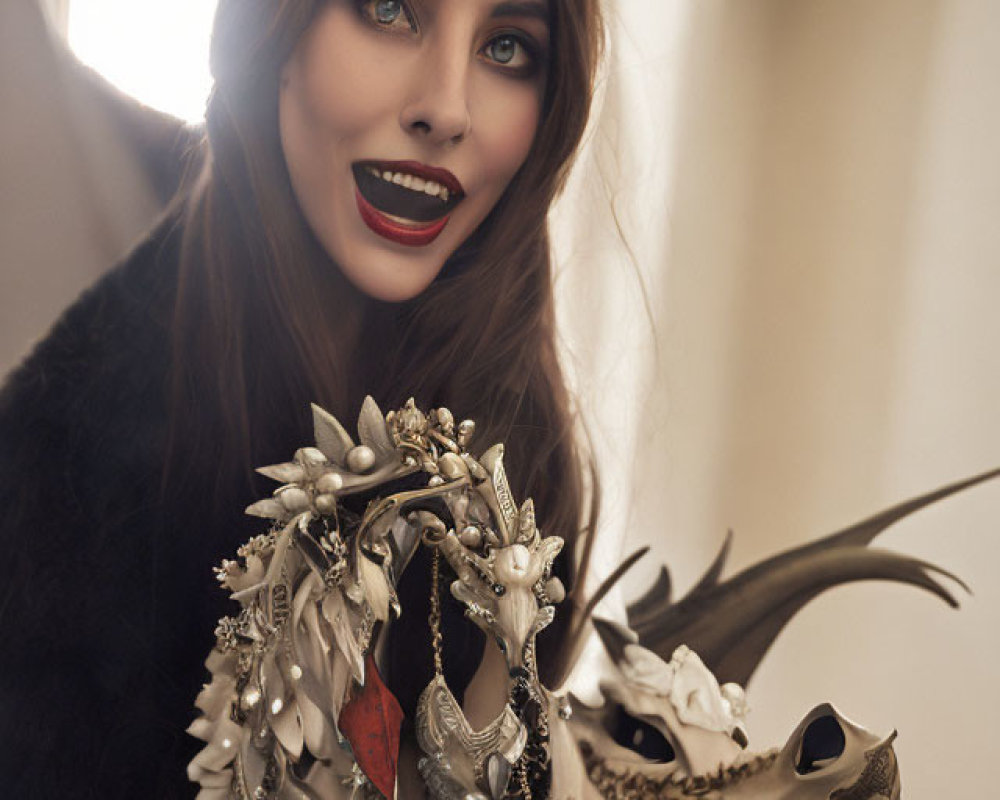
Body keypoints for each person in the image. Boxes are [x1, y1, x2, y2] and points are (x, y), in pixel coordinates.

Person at [0, 0, 603, 797]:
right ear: (271, 32)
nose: (448, 109)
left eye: (505, 47)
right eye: (390, 10)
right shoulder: (52, 477)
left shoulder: (512, 447)